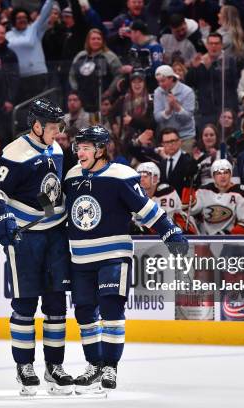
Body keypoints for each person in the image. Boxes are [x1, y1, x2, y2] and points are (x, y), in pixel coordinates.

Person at [64, 125, 187, 393]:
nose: (79, 152)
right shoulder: (72, 176)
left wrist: (169, 231)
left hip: (113, 256)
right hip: (80, 258)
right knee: (84, 313)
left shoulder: (122, 175)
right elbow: (55, 208)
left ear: (99, 149)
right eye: (78, 147)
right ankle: (94, 365)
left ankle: (110, 367)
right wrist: (28, 216)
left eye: (85, 147)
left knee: (111, 310)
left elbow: (146, 209)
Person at [0, 98, 73, 396]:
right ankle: (24, 366)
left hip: (55, 234)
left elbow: (46, 190)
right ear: (37, 126)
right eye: (54, 127)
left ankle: (54, 367)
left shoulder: (54, 148)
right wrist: (3, 216)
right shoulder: (15, 153)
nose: (58, 133)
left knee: (56, 305)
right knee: (26, 304)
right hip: (26, 238)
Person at [186, 159, 244, 235]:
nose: (223, 176)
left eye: (226, 172)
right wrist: (187, 185)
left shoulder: (242, 192)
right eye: (218, 173)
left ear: (231, 174)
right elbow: (188, 211)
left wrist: (226, 235)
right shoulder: (204, 191)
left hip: (233, 242)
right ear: (213, 176)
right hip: (206, 240)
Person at [135, 161, 194, 234]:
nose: (141, 179)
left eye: (145, 176)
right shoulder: (135, 194)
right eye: (139, 176)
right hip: (156, 238)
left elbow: (164, 223)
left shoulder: (166, 192)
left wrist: (140, 229)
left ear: (155, 178)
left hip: (184, 235)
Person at [153, 65, 196, 150]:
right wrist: (168, 111)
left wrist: (177, 107)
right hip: (166, 137)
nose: (160, 84)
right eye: (158, 82)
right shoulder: (158, 92)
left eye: (163, 81)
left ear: (171, 78)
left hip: (185, 136)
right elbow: (157, 117)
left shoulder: (187, 92)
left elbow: (188, 117)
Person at [157, 127, 197, 193]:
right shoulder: (162, 163)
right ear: (163, 144)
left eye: (172, 141)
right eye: (167, 142)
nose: (170, 145)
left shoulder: (189, 162)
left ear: (179, 141)